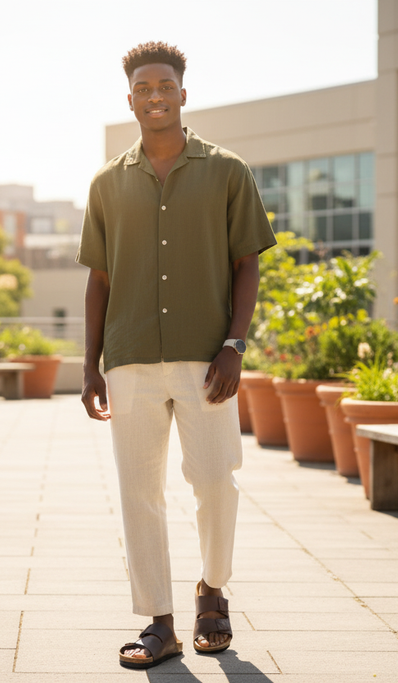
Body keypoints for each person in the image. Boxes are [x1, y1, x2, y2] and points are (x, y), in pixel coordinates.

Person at [76, 41, 276, 669]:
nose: (155, 95)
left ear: (182, 94)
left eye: (165, 85)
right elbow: (99, 280)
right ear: (129, 97)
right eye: (144, 88)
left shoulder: (227, 171)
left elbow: (247, 264)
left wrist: (235, 345)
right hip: (130, 357)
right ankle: (159, 621)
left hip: (206, 358)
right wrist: (89, 364)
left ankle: (211, 593)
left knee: (215, 480)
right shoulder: (107, 182)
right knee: (139, 492)